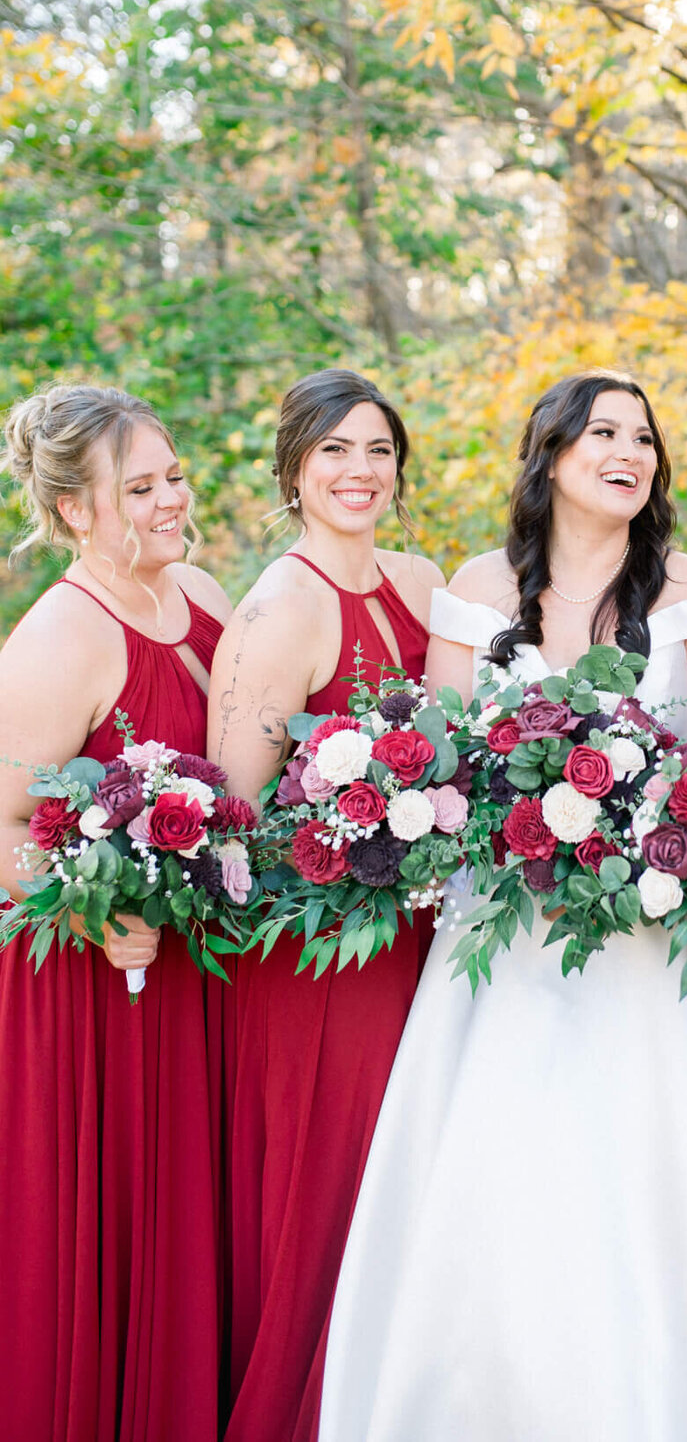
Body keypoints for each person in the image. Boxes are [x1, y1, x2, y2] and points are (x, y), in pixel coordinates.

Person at [318, 371, 687, 1442]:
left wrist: (647, 817)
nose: (631, 451)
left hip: (649, 943)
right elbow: (441, 771)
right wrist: (524, 817)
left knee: (634, 1190)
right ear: (552, 452)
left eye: (645, 438)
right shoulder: (475, 586)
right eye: (604, 431)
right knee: (496, 1187)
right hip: (500, 943)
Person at [208, 368, 443, 1442]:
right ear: (293, 468)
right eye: (334, 451)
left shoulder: (425, 584)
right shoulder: (277, 609)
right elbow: (236, 831)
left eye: (378, 450)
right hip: (317, 966)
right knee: (333, 1198)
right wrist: (356, 833)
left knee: (414, 1189)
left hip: (420, 946)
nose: (360, 471)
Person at [0, 383, 231, 1442]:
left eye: (173, 476)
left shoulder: (207, 596)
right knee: (102, 1241)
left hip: (190, 984)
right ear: (75, 511)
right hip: (88, 989)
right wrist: (85, 913)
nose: (168, 501)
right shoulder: (63, 634)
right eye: (137, 488)